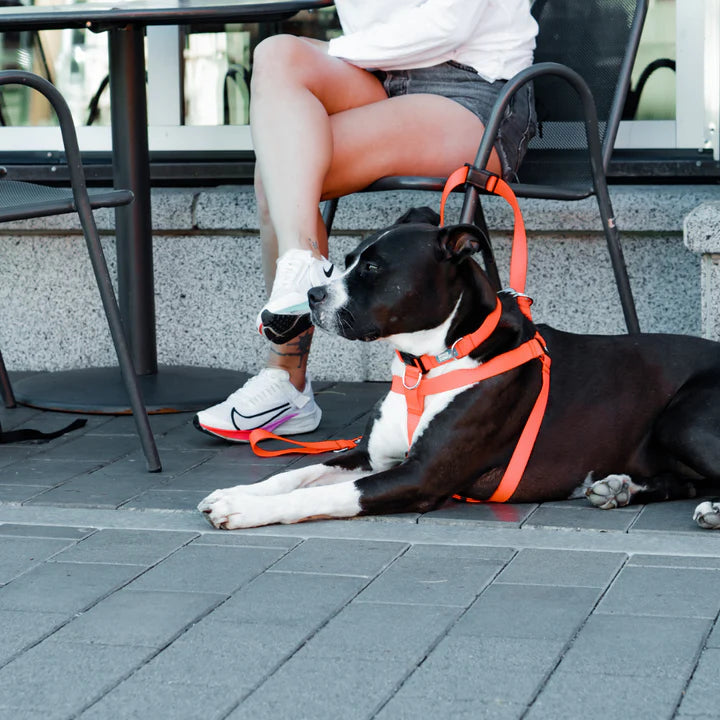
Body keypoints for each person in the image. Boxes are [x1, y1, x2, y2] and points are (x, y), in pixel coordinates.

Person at [193, 0, 539, 442]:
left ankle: (286, 372)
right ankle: (302, 263)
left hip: (473, 90)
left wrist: (338, 48)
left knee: (278, 172)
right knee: (278, 55)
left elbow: (448, 25)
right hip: (380, 77)